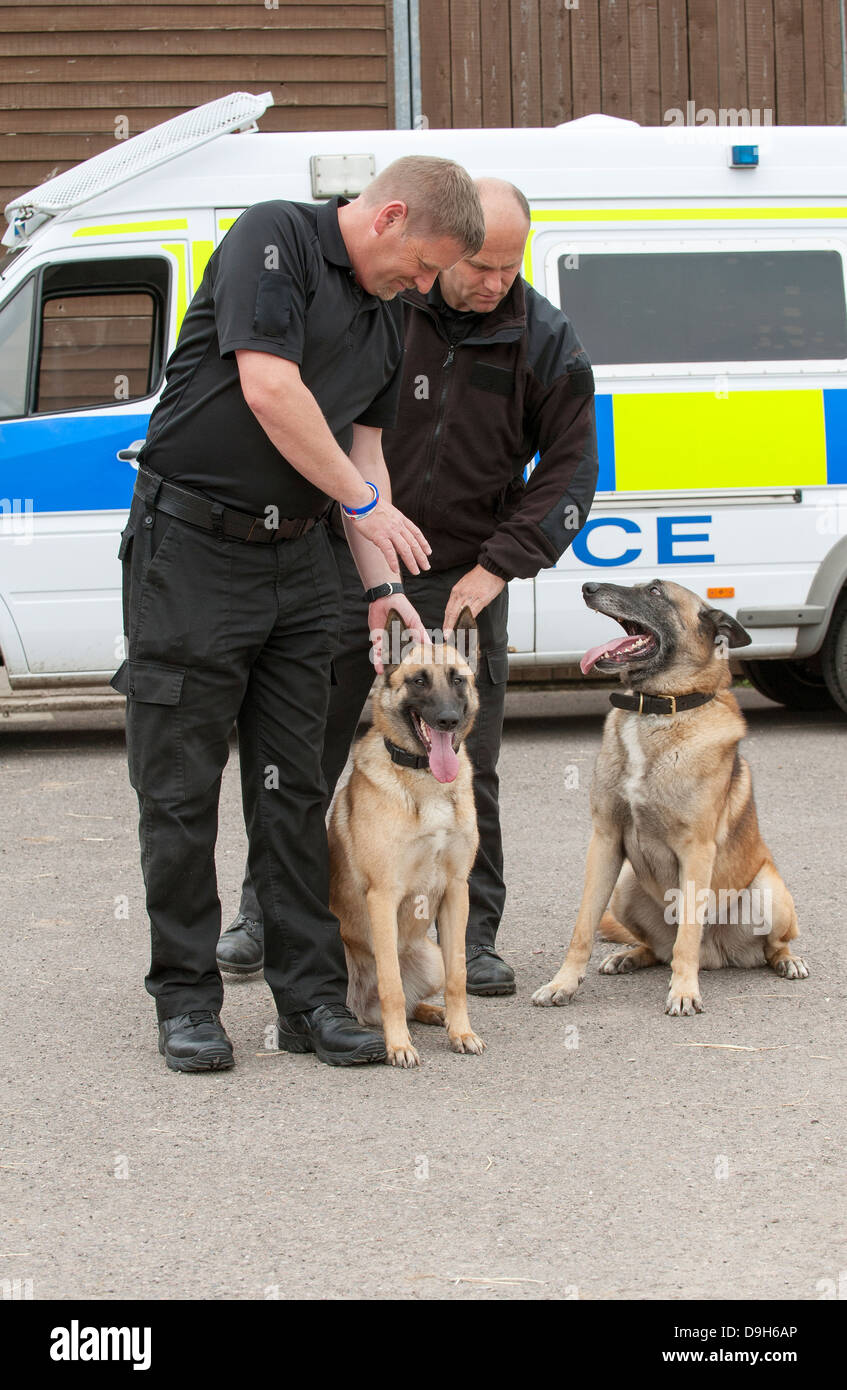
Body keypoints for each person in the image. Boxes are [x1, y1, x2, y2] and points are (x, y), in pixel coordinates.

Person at [112, 157, 486, 1071]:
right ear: (390, 216)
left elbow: (365, 449)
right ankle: (188, 999)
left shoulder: (389, 317)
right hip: (192, 553)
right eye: (426, 264)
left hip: (300, 560)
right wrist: (364, 506)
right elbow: (270, 389)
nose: (427, 286)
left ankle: (311, 1001)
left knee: (297, 792)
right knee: (180, 791)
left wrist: (378, 584)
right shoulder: (271, 238)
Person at [219, 178, 599, 996]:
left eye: (508, 265)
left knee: (462, 762)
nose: (491, 281)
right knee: (306, 749)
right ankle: (267, 912)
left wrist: (499, 564)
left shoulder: (546, 340)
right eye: (476, 265)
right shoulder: (392, 302)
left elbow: (571, 470)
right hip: (349, 559)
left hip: (463, 578)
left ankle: (475, 934)